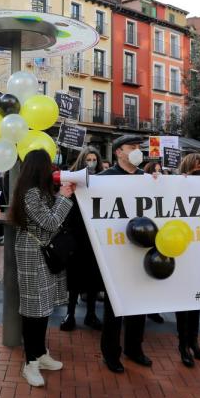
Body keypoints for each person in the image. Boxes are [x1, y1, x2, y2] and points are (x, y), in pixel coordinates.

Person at [10, 149, 73, 387]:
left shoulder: (40, 191)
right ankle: (31, 362)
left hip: (42, 252)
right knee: (33, 309)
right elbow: (50, 221)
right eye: (49, 165)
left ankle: (41, 353)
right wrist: (64, 198)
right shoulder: (30, 193)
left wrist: (59, 196)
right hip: (32, 254)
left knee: (43, 307)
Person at [100, 135, 153, 373]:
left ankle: (134, 348)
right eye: (132, 147)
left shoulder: (147, 178)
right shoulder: (104, 179)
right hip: (115, 250)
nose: (137, 151)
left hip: (141, 248)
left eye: (139, 148)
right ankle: (111, 353)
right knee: (115, 305)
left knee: (139, 303)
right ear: (119, 152)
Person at [61, 146, 103, 332]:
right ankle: (70, 313)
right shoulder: (72, 177)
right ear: (82, 161)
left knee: (94, 276)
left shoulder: (103, 178)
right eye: (89, 159)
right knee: (74, 277)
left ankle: (91, 314)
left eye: (94, 159)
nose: (92, 163)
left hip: (95, 236)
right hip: (76, 234)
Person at [173, 153, 200, 366]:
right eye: (198, 168)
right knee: (183, 302)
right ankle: (183, 345)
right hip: (181, 248)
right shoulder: (176, 186)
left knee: (196, 301)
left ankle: (193, 341)